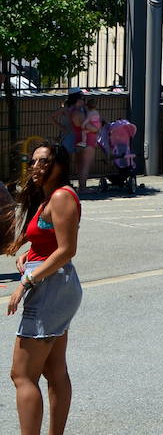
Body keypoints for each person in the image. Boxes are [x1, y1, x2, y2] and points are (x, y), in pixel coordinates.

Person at [4, 141, 81, 435]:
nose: (36, 167)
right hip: (56, 284)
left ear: (60, 165)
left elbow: (67, 250)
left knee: (22, 374)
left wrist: (25, 283)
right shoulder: (51, 198)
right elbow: (48, 241)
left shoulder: (61, 197)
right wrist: (29, 253)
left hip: (49, 286)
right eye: (34, 161)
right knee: (54, 371)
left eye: (44, 161)